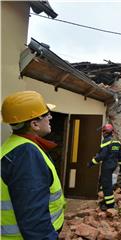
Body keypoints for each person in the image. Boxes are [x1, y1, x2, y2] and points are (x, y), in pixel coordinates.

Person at [1, 90, 66, 239]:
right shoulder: (26, 154)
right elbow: (33, 217)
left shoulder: (15, 146)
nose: (50, 117)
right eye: (45, 114)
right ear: (35, 124)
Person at [87, 123, 121, 211]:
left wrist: (91, 163)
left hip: (107, 166)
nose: (102, 134)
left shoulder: (106, 142)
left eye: (103, 132)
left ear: (105, 133)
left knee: (106, 185)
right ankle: (106, 199)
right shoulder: (117, 143)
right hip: (114, 166)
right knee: (104, 182)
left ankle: (109, 205)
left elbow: (101, 156)